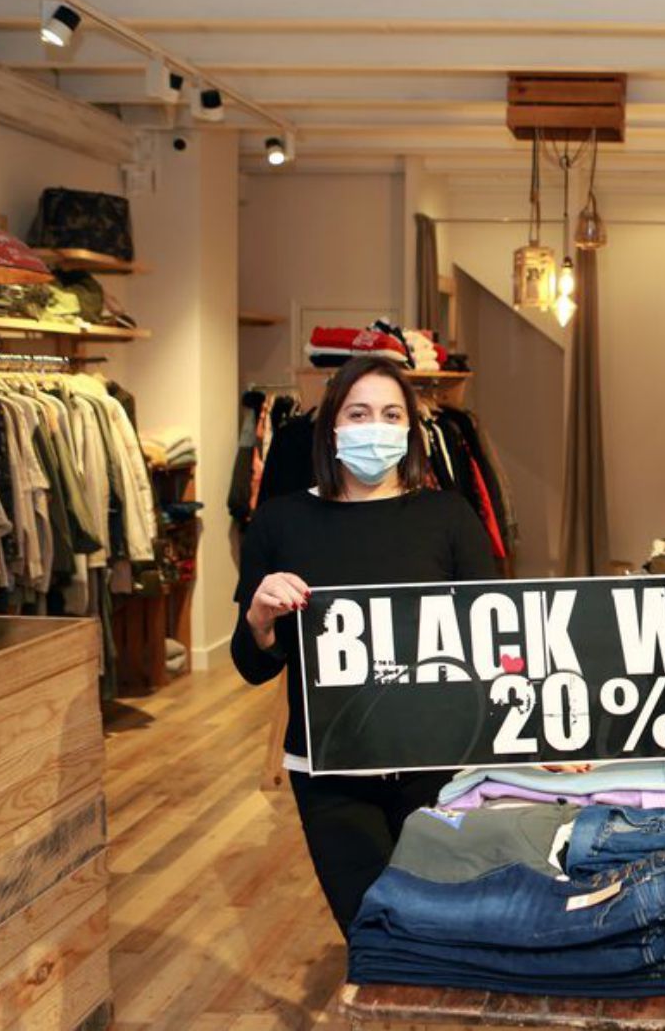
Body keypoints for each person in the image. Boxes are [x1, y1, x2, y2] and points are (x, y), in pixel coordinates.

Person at [231, 356, 499, 935]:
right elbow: (252, 666)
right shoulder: (281, 523)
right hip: (331, 768)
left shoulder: (448, 518)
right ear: (331, 427)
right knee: (369, 926)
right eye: (359, 412)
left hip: (438, 763)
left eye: (390, 413)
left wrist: (539, 738)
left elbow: (500, 639)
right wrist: (259, 618)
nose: (374, 426)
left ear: (409, 429)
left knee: (440, 920)